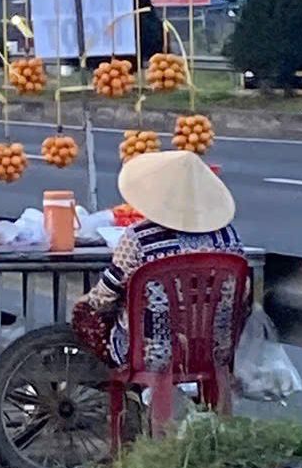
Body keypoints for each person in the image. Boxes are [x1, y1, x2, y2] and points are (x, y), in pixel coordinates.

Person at [73, 150, 244, 369]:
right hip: (216, 350)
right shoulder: (229, 237)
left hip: (152, 354)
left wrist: (84, 305)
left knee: (86, 313)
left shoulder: (139, 238)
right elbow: (242, 293)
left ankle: (124, 381)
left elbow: (106, 294)